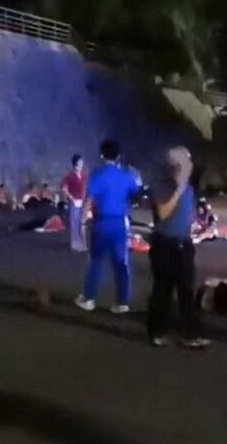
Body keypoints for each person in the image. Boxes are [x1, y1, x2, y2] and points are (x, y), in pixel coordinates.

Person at [148, 146, 209, 349]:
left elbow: (188, 214)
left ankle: (189, 334)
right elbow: (163, 213)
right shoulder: (163, 185)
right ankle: (157, 332)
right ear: (176, 165)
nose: (190, 166)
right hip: (165, 244)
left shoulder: (189, 187)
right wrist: (180, 189)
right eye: (186, 162)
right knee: (163, 290)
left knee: (186, 291)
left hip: (184, 244)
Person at [74, 139, 141, 314]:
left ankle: (89, 299)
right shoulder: (126, 176)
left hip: (101, 223)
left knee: (96, 261)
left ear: (102, 154)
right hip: (119, 223)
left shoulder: (97, 174)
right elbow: (136, 193)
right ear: (119, 155)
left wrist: (81, 222)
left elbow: (89, 200)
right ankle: (122, 302)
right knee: (121, 264)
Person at [61, 154, 87, 252]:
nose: (82, 164)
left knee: (81, 223)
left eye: (82, 162)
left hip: (82, 201)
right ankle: (75, 244)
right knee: (74, 223)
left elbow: (84, 187)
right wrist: (70, 197)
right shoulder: (69, 174)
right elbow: (63, 187)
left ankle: (81, 243)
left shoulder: (84, 175)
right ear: (75, 163)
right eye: (80, 162)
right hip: (74, 201)